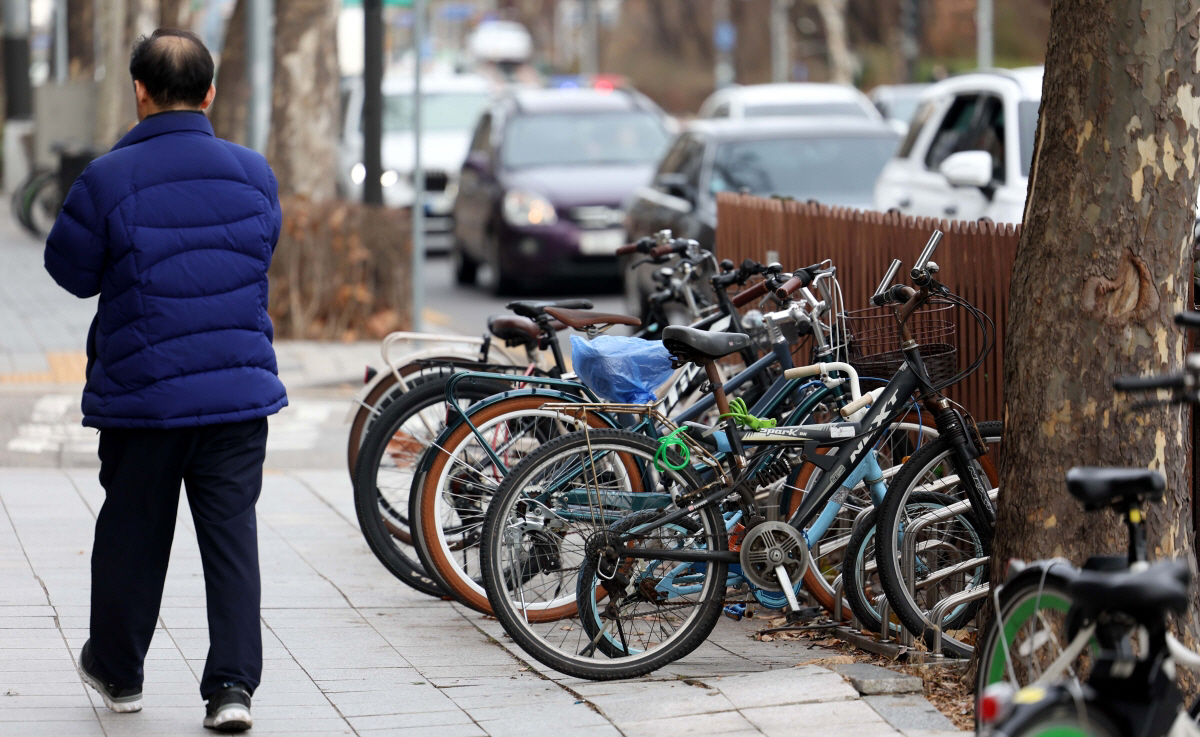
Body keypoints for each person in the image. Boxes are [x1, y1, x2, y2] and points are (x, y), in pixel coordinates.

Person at [43, 28, 286, 733]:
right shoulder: (253, 171)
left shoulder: (108, 177)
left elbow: (69, 272)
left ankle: (120, 673)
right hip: (238, 396)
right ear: (209, 93)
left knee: (133, 528)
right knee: (231, 536)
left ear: (139, 92)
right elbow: (259, 248)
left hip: (143, 394)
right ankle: (233, 688)